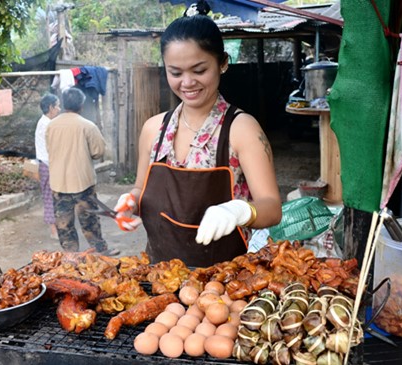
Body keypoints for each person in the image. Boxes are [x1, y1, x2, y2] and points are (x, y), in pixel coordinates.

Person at [114, 11, 282, 267]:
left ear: (223, 63)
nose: (188, 82)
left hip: (224, 285)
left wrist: (239, 211)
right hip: (158, 277)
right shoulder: (153, 129)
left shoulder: (241, 129)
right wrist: (130, 202)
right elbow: (140, 188)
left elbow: (271, 208)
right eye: (176, 72)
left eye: (199, 70)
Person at [46, 87, 120, 256]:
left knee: (64, 223)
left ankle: (71, 255)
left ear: (64, 104)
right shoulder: (87, 126)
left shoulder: (51, 126)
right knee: (90, 219)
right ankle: (101, 250)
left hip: (59, 183)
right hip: (82, 182)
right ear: (81, 104)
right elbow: (98, 152)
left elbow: (50, 149)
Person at [35, 93, 60, 240]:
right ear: (50, 108)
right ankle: (53, 230)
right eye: (57, 106)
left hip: (47, 163)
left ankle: (56, 228)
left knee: (52, 196)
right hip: (47, 164)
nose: (59, 109)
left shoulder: (45, 122)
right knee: (50, 197)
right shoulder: (47, 124)